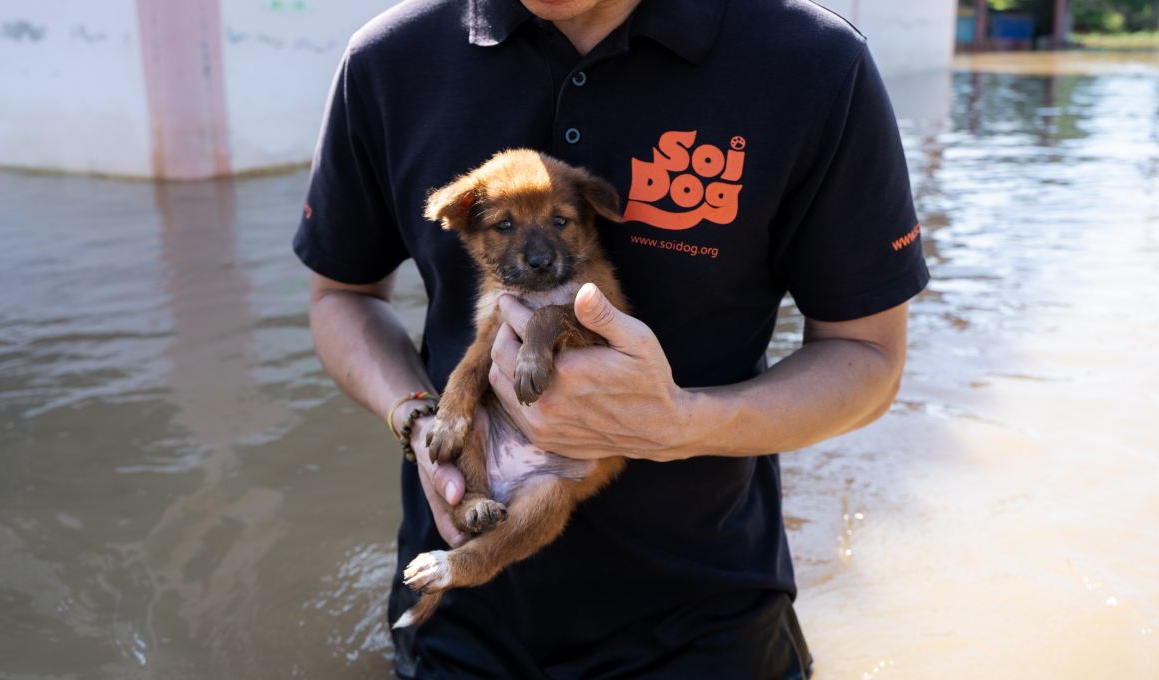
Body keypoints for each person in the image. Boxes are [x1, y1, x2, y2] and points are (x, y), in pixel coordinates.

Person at [293, 0, 929, 677]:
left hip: (706, 622)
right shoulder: (389, 59)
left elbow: (870, 357)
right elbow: (342, 296)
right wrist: (420, 418)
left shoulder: (813, 62)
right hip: (459, 617)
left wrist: (681, 423)